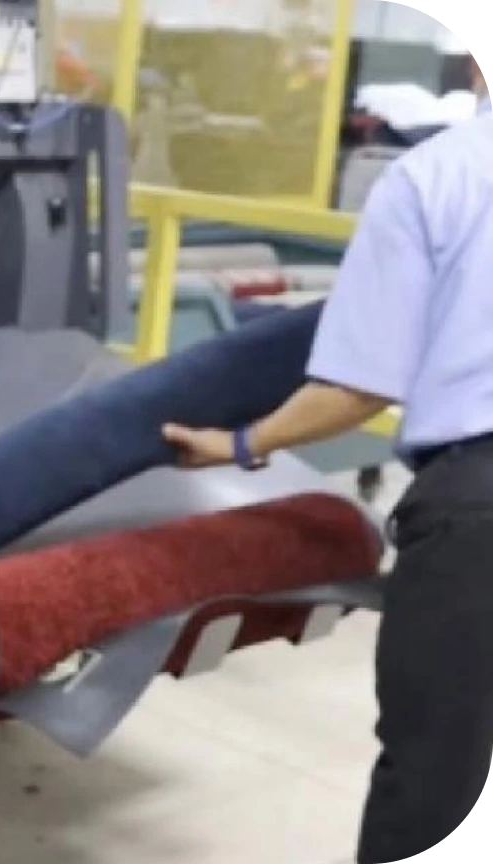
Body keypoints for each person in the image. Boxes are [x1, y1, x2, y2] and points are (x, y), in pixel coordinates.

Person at [160, 52, 491, 863]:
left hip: (480, 512)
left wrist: (241, 442)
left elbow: (360, 386)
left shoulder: (438, 174)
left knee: (435, 774)